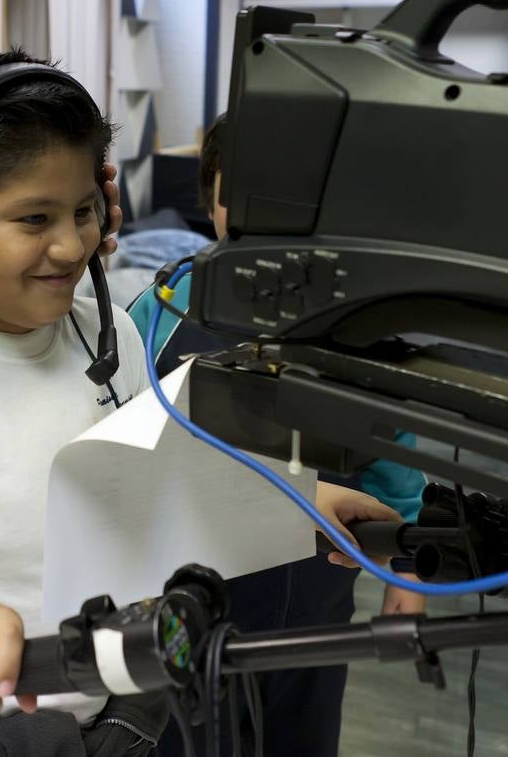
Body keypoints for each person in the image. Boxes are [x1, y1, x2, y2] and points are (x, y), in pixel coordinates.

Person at [0, 52, 402, 756]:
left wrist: (289, 499)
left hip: (114, 725)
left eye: (84, 210)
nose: (69, 244)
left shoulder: (105, 330)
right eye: (33, 218)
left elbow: (151, 484)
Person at [129, 114, 429, 757]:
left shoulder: (362, 328)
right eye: (240, 193)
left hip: (316, 601)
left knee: (303, 734)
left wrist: (406, 567)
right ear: (210, 196)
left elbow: (396, 455)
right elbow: (124, 437)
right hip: (191, 599)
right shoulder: (164, 307)